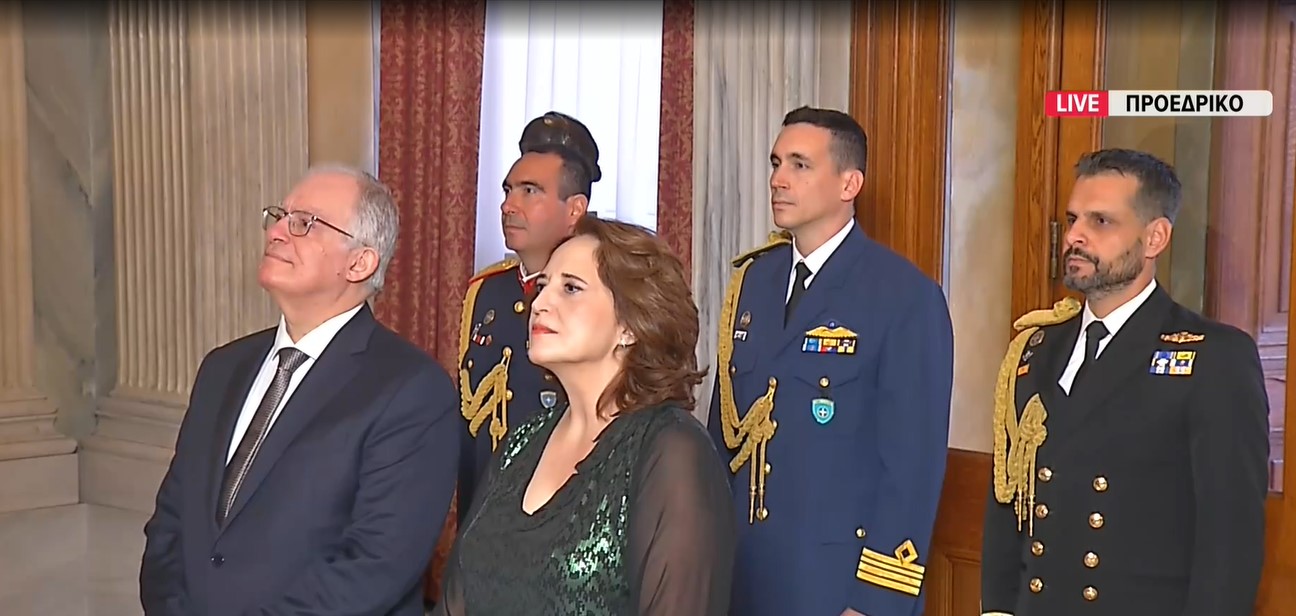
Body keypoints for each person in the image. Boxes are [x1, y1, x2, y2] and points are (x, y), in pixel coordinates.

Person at [139, 165, 460, 615]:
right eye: (278, 216)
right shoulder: (222, 368)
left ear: (360, 263)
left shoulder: (412, 390)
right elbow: (171, 525)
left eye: (304, 223)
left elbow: (374, 565)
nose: (276, 232)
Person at [980, 148, 1270, 615]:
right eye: (1073, 219)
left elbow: (1229, 542)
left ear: (1155, 237)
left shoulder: (1213, 357)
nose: (1074, 236)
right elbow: (1007, 502)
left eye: (1100, 221)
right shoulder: (1035, 348)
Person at [708, 106, 954, 616]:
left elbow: (912, 469)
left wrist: (877, 601)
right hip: (743, 576)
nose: (778, 179)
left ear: (849, 183)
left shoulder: (903, 296)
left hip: (834, 586)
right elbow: (722, 436)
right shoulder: (752, 283)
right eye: (776, 163)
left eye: (800, 165)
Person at [436, 216, 737, 616]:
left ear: (631, 325)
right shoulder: (522, 441)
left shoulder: (672, 451)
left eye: (571, 288)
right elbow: (456, 597)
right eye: (543, 287)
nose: (539, 304)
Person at [456, 111, 600, 519]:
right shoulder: (486, 292)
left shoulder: (601, 296)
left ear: (574, 209)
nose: (508, 205)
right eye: (508, 190)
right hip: (482, 512)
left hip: (560, 514)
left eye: (530, 191)